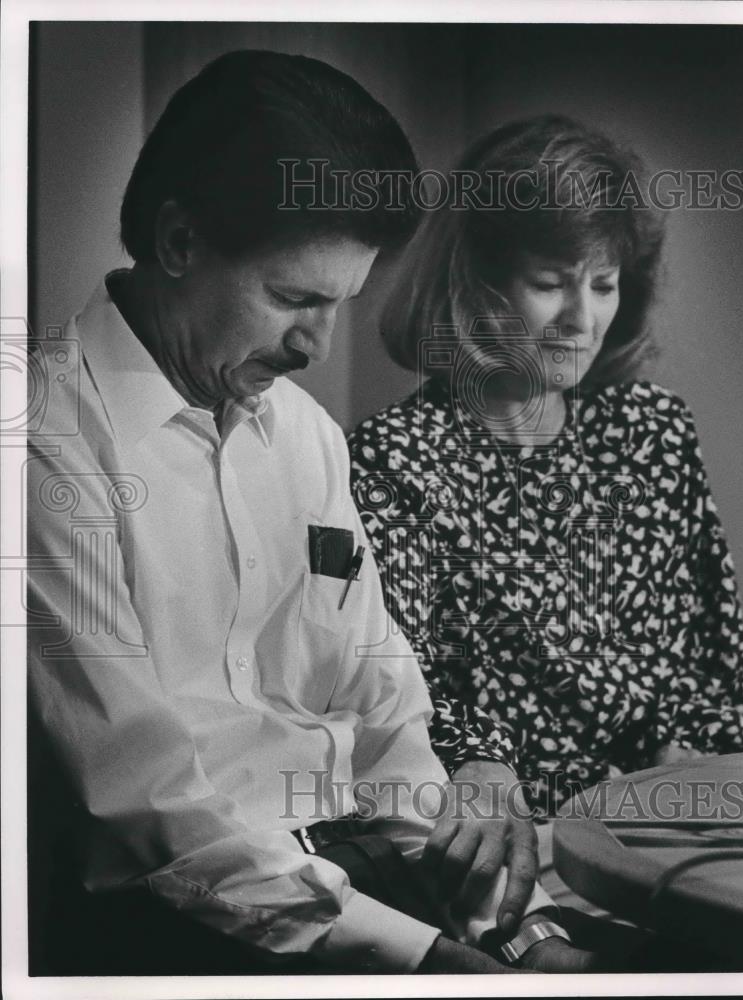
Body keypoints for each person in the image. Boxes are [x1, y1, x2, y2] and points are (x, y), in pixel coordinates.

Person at [26, 52, 606, 977]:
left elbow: (382, 710)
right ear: (178, 241)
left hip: (361, 879)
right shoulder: (39, 439)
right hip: (175, 931)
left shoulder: (305, 436)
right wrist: (421, 956)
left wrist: (515, 924)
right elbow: (144, 804)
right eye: (294, 298)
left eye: (341, 303)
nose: (317, 344)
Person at [347, 115, 743, 907]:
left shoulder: (654, 431)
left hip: (678, 835)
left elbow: (718, 670)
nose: (583, 318)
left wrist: (700, 764)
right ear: (474, 286)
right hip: (515, 863)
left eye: (603, 283)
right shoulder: (393, 460)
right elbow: (403, 704)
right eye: (551, 282)